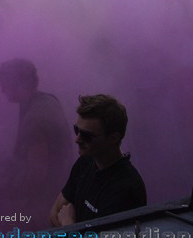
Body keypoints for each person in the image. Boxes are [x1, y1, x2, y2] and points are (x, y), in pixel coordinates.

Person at [0, 59, 72, 223]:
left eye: (5, 84)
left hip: (47, 204)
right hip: (63, 192)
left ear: (19, 83)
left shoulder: (35, 119)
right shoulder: (49, 100)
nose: (2, 90)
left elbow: (37, 175)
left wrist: (6, 193)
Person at [49, 93, 146, 227]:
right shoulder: (85, 162)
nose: (77, 139)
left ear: (113, 138)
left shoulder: (126, 190)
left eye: (87, 135)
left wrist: (68, 225)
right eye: (76, 130)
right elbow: (54, 213)